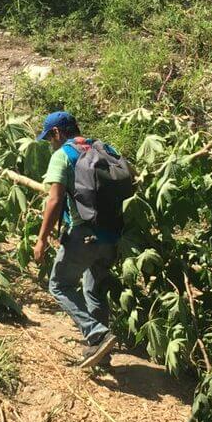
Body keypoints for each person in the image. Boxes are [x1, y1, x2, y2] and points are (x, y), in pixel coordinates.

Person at [31, 111, 132, 369]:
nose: (50, 143)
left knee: (59, 286)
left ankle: (97, 334)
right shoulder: (104, 147)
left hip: (83, 234)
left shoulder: (63, 155)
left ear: (57, 133)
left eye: (49, 138)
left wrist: (42, 239)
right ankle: (101, 355)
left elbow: (54, 200)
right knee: (93, 290)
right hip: (111, 235)